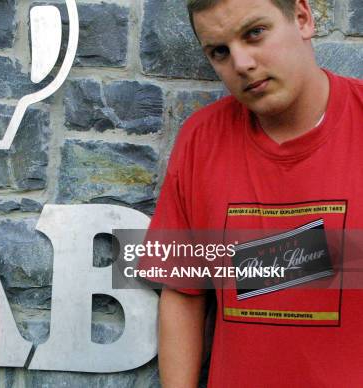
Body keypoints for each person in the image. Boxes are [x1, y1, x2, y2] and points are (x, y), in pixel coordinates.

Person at [140, 0, 363, 386]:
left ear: (302, 18)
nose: (241, 63)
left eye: (254, 33)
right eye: (220, 52)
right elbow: (183, 291)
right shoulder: (201, 139)